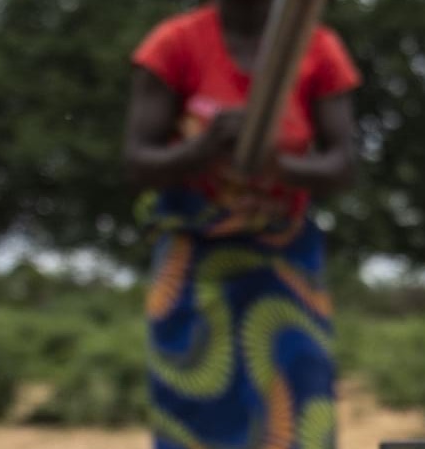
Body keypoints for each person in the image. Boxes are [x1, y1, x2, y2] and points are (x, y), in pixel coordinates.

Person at [123, 0, 359, 447]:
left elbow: (342, 166)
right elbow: (137, 163)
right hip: (194, 266)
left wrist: (279, 165)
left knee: (297, 408)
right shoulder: (174, 44)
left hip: (285, 265)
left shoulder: (318, 48)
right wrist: (204, 148)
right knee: (197, 409)